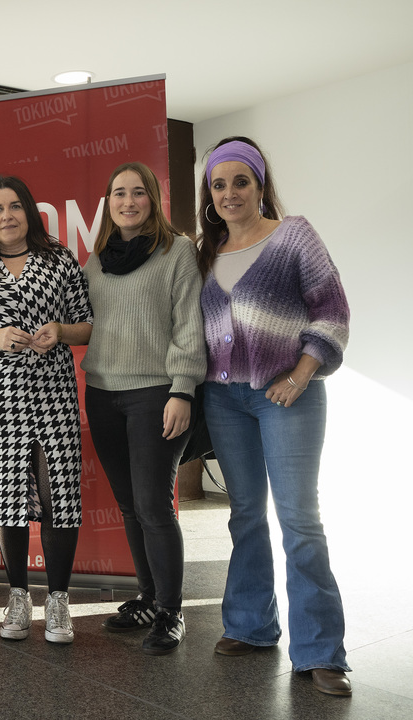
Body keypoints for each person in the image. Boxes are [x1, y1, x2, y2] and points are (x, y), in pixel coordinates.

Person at [197, 137, 352, 696]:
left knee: (299, 518)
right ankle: (251, 625)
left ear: (260, 185)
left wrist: (301, 375)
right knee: (245, 514)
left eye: (241, 181)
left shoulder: (294, 236)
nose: (230, 193)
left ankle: (321, 651)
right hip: (224, 399)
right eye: (219, 185)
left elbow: (332, 312)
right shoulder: (206, 251)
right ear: (209, 195)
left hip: (288, 394)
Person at [0, 175, 92, 644]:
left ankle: (59, 600)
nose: (7, 216)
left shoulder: (59, 259)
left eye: (14, 206)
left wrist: (60, 331)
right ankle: (17, 596)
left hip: (54, 391)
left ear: (29, 210)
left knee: (59, 495)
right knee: (6, 495)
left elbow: (86, 324)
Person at [81, 162, 206, 654]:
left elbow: (189, 324)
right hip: (102, 393)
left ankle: (172, 611)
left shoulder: (178, 252)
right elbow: (86, 323)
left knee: (154, 505)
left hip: (156, 393)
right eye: (119, 193)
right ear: (108, 203)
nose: (128, 201)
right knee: (130, 505)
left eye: (137, 193)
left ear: (153, 199)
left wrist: (183, 390)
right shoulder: (96, 261)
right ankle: (149, 598)